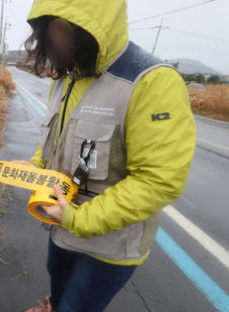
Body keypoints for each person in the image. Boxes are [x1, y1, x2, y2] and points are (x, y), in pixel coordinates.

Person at [13, 0, 196, 311]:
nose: (52, 39)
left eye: (62, 28)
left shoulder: (151, 81)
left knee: (78, 306)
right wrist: (34, 167)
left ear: (92, 28)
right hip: (62, 228)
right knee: (58, 288)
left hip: (108, 248)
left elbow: (158, 181)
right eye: (49, 27)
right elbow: (55, 140)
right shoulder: (66, 76)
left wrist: (76, 218)